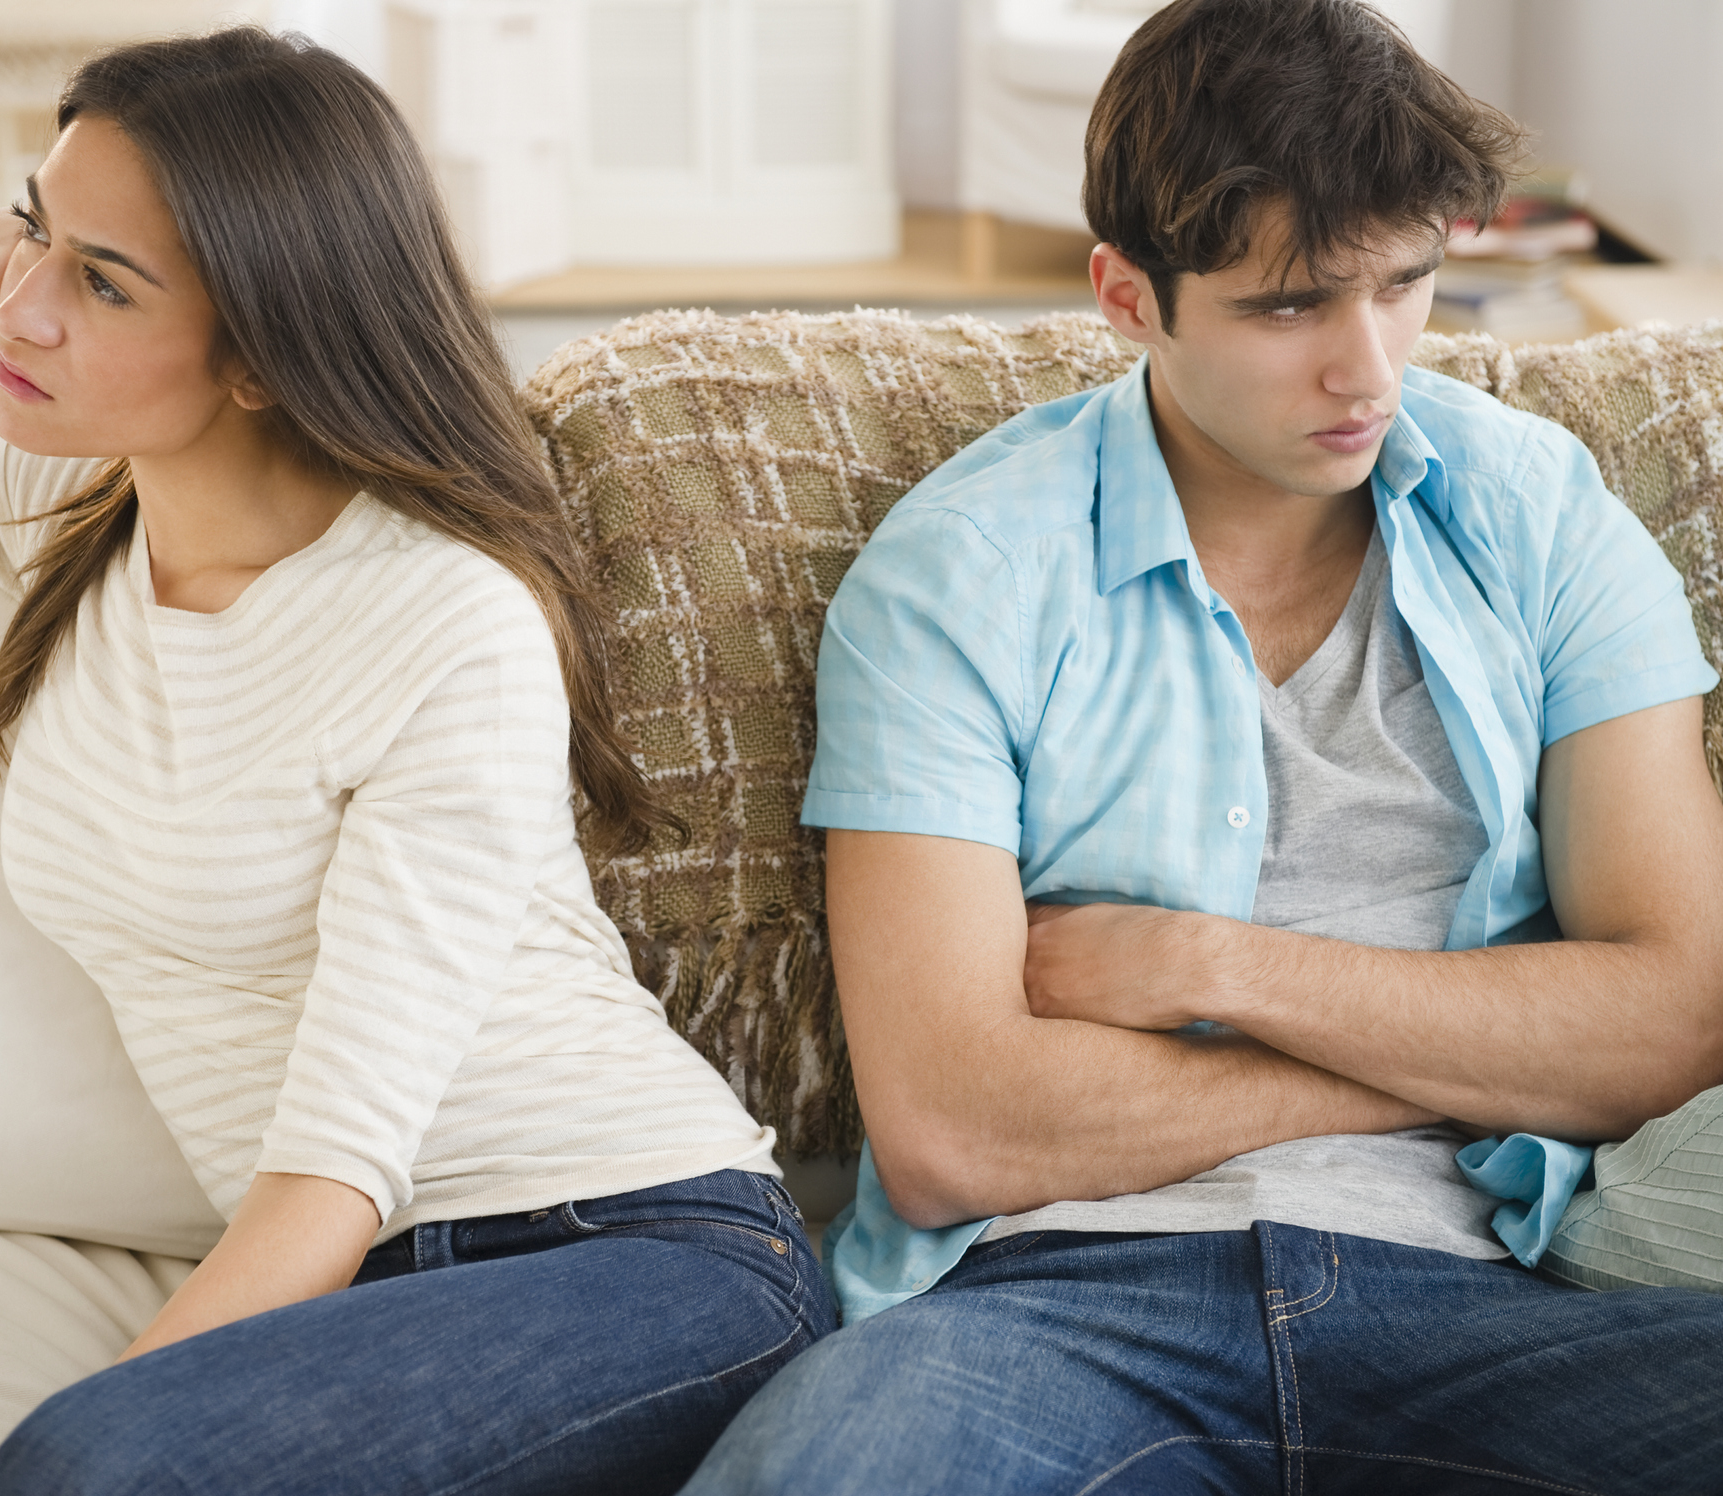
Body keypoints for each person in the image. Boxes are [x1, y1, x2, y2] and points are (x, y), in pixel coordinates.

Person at [0, 27, 832, 1496]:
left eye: (102, 282)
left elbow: (332, 1178)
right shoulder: (59, 508)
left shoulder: (441, 621)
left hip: (637, 1253)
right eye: (35, 237)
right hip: (378, 1284)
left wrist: (127, 1426)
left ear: (258, 353)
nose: (23, 308)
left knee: (94, 1464)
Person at [683, 1, 1723, 1492]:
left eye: (1408, 286)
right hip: (1056, 1311)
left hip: (1496, 1298)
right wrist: (1477, 1057)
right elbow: (952, 1131)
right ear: (1128, 295)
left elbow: (1681, 1022)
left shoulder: (1542, 515)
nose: (1367, 370)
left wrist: (1210, 971)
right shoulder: (965, 571)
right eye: (1291, 307)